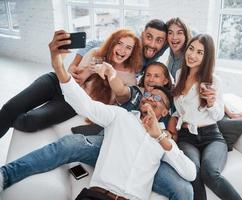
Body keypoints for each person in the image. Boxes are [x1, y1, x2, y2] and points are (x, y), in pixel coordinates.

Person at [0, 30, 197, 200]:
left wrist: (162, 137)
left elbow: (189, 172)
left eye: (156, 98)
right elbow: (89, 102)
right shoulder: (127, 108)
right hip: (105, 172)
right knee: (72, 142)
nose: (150, 95)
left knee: (184, 188)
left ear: (165, 108)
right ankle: (5, 175)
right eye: (148, 86)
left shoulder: (166, 133)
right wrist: (60, 67)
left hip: (147, 163)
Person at [0, 28, 142, 138]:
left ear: (132, 52)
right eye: (119, 43)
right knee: (9, 109)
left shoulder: (129, 76)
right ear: (112, 43)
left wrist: (109, 73)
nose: (122, 50)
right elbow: (72, 79)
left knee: (29, 122)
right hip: (56, 82)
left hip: (73, 101)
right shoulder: (95, 53)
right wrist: (89, 70)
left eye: (129, 47)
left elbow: (119, 98)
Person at [168, 34, 242, 200]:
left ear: (206, 57)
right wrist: (172, 124)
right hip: (187, 137)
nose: (193, 55)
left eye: (200, 52)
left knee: (210, 172)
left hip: (211, 136)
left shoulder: (213, 81)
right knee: (192, 171)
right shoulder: (180, 74)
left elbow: (217, 115)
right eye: (191, 49)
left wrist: (210, 102)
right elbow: (180, 110)